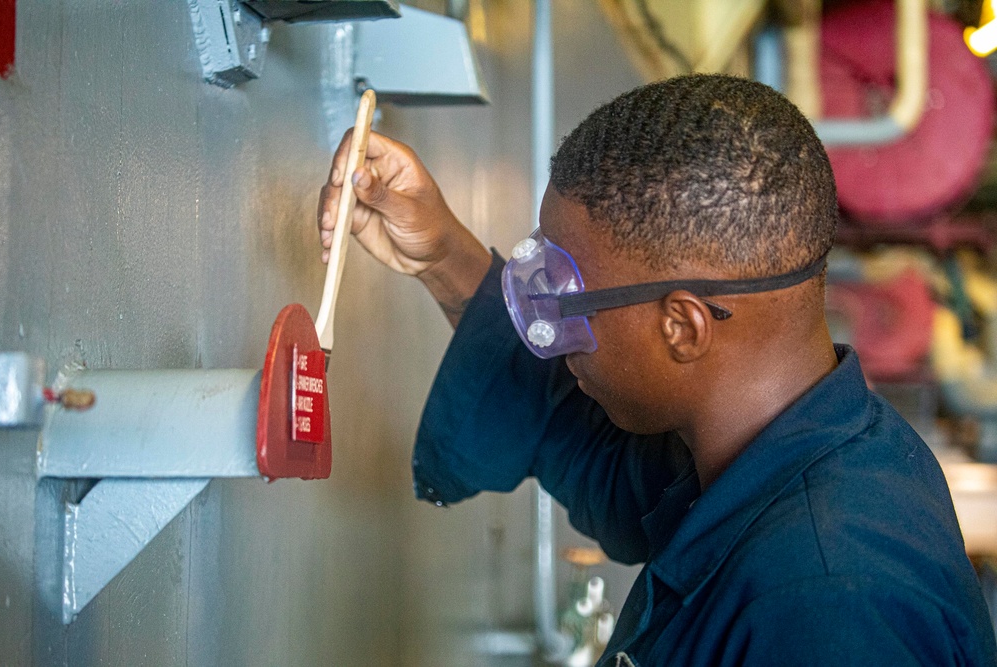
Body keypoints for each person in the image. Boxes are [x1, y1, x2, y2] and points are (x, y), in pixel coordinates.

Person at [318, 75, 997, 665]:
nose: (550, 333)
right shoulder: (785, 443)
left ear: (683, 326)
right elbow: (591, 446)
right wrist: (441, 251)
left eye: (565, 296)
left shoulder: (826, 611)